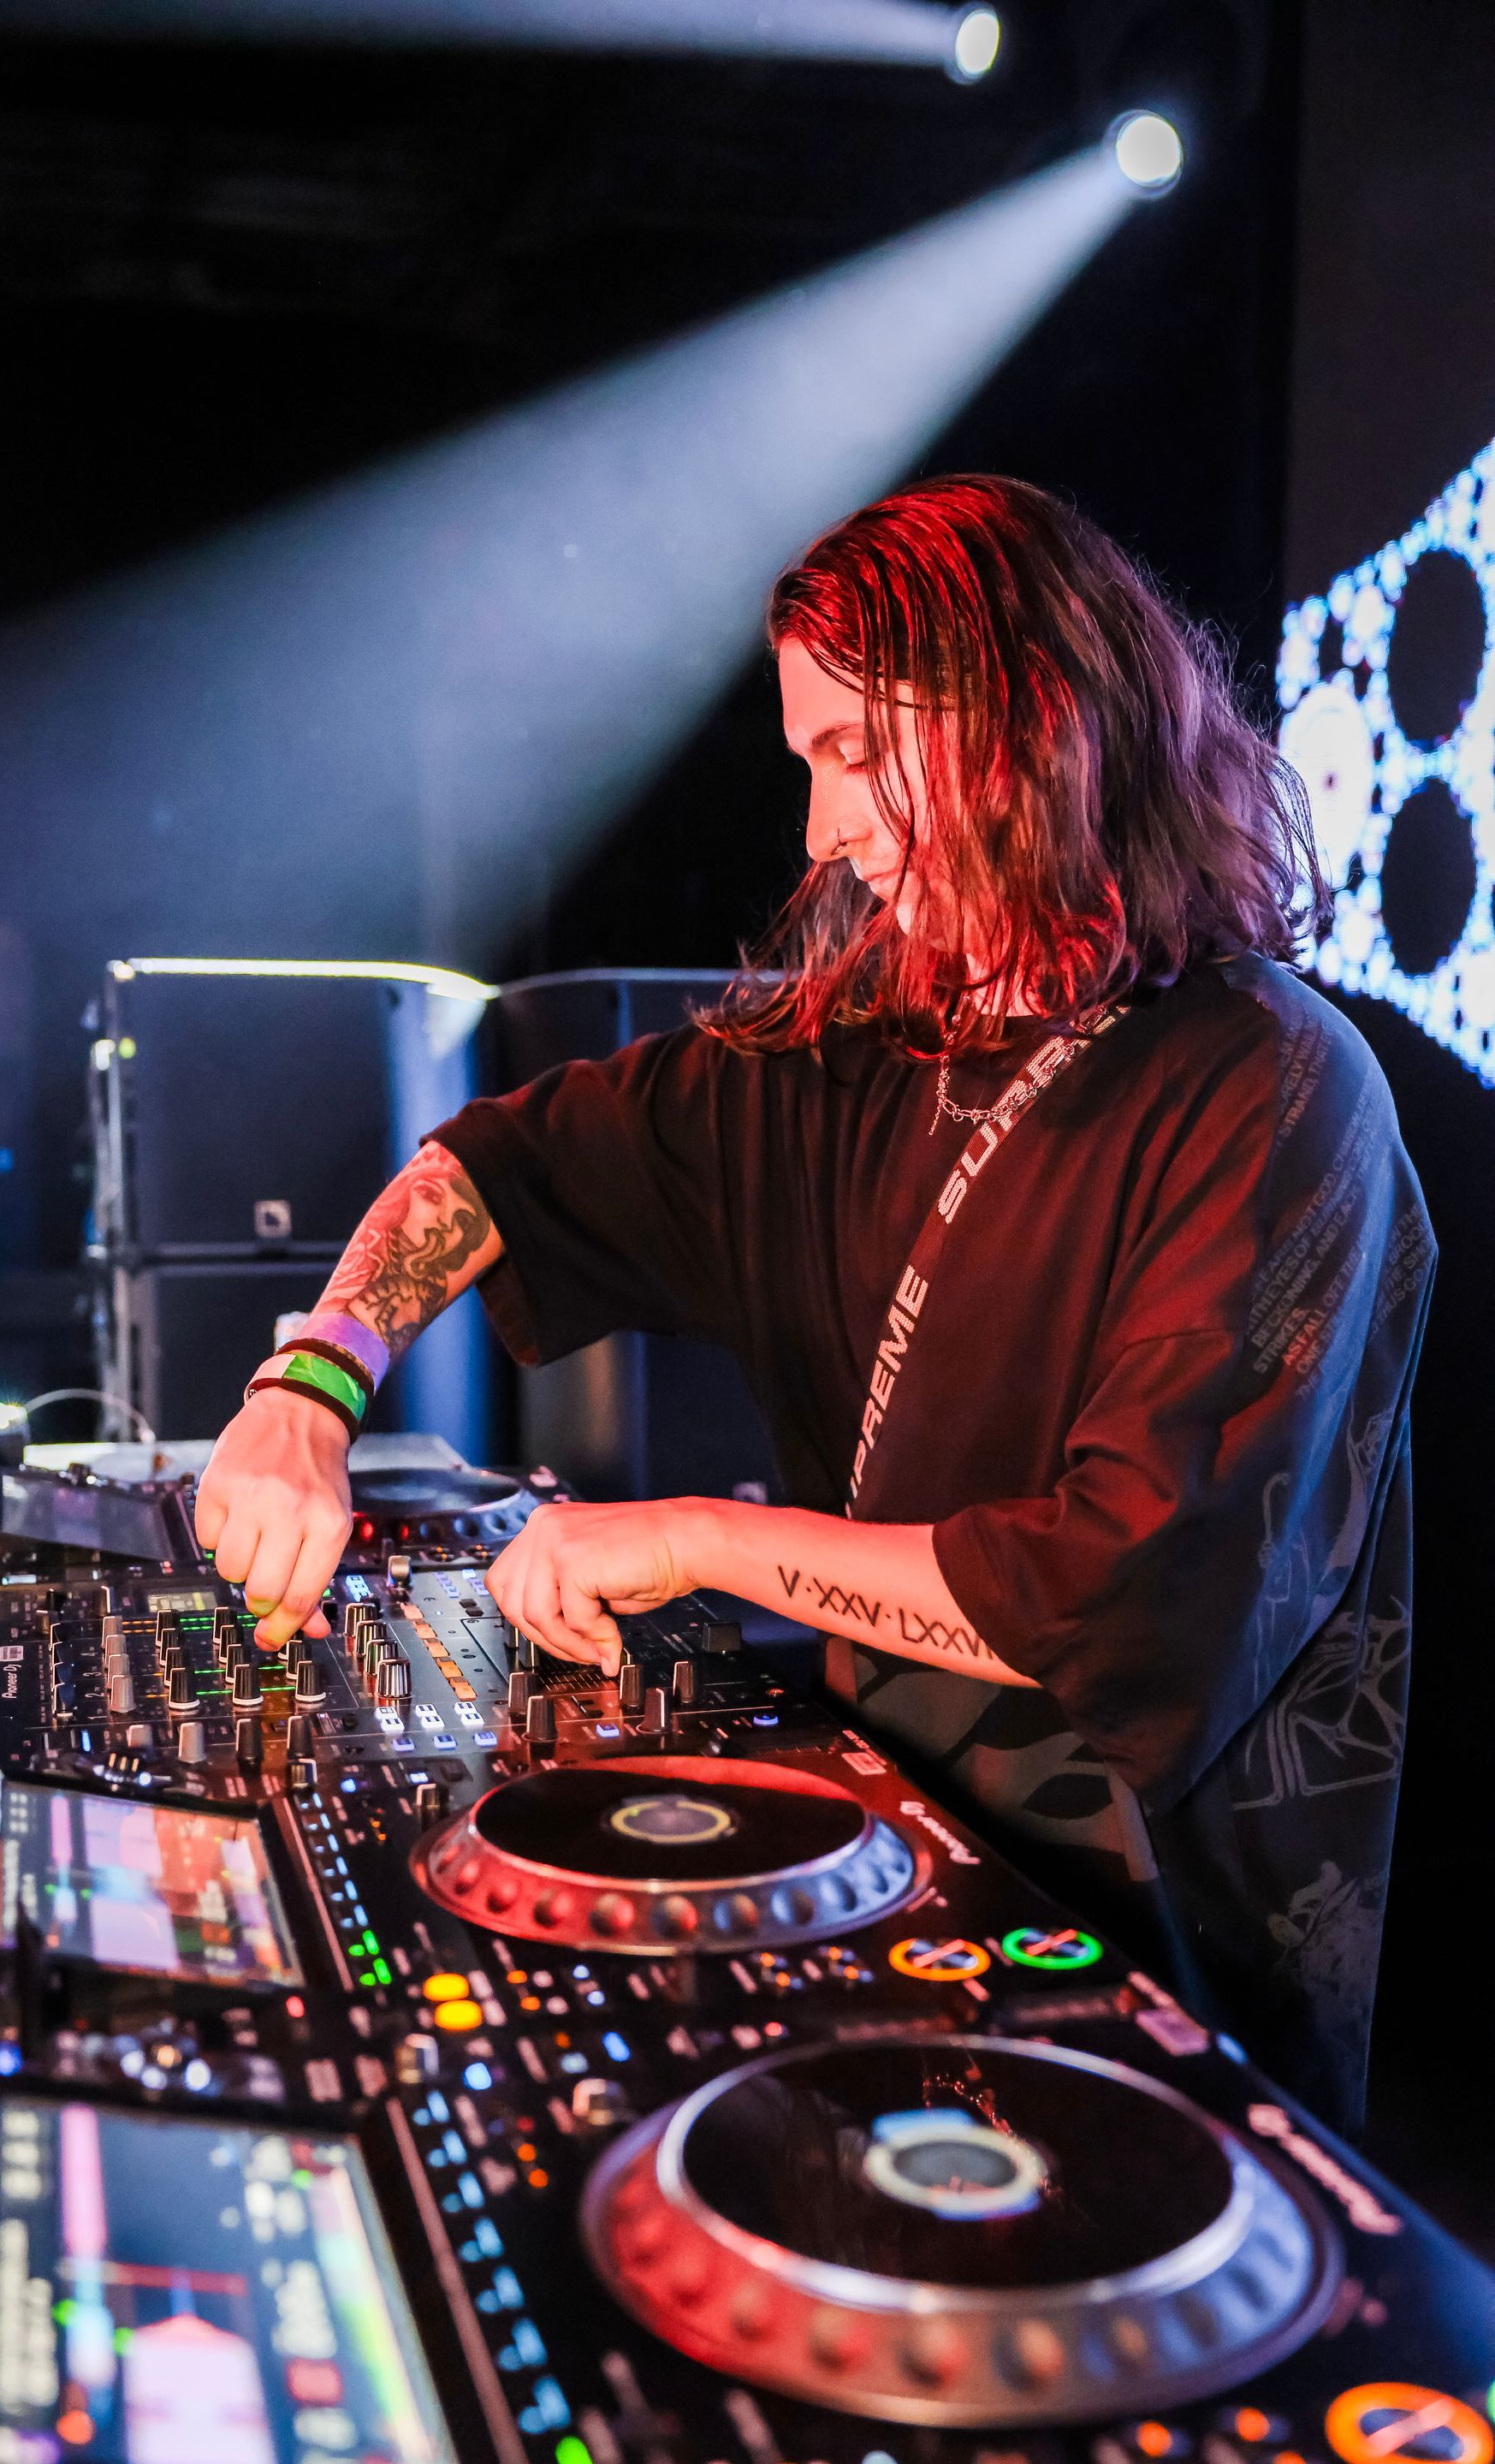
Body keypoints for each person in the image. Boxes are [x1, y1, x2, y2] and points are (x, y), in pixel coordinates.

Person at [197, 475, 1433, 2132]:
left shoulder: (1274, 1088)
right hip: (898, 1880)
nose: (821, 829)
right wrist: (313, 1387)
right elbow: (496, 1167)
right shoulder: (856, 1052)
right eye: (807, 764)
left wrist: (697, 1537)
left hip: (1166, 1972)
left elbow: (1110, 1593)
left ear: (1033, 715)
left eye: (856, 749)